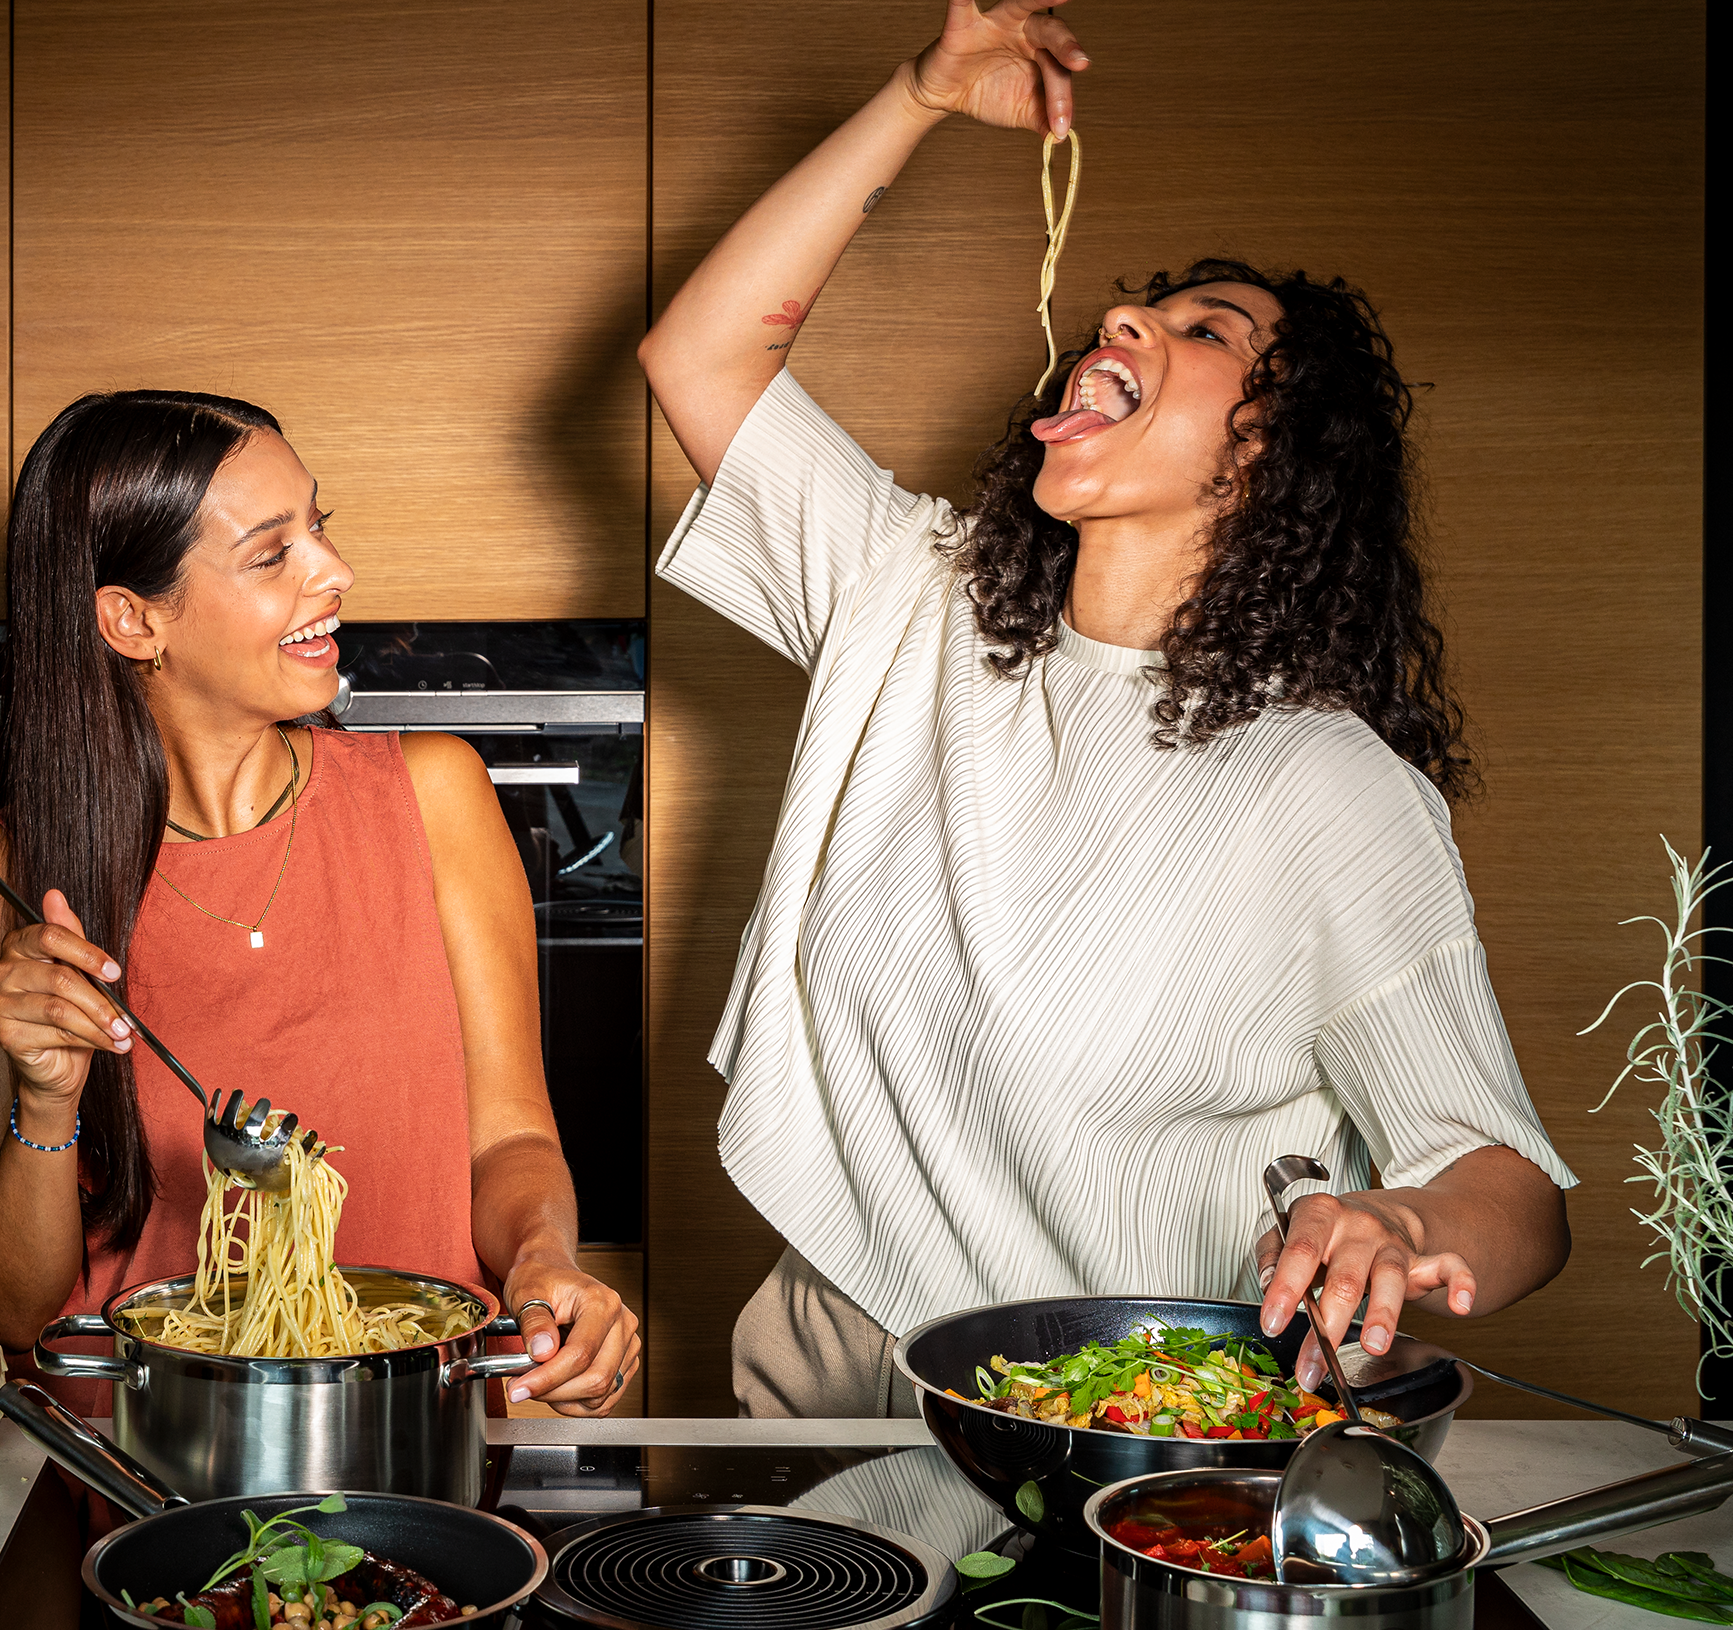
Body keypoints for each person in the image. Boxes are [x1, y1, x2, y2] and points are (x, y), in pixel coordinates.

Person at [639, 0, 1573, 1416]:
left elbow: (1512, 1188)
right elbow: (698, 358)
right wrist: (923, 90)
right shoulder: (917, 598)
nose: (1121, 317)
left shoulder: (1325, 786)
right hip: (839, 1347)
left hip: (1136, 1414)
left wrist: (1406, 1226)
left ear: (1278, 463)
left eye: (1206, 330)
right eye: (1137, 304)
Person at [0, 390, 639, 1417]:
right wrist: (47, 1103)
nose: (334, 572)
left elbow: (509, 1138)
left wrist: (539, 1265)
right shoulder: (1, 887)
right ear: (133, 620)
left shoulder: (433, 795)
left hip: (414, 1433)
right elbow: (10, 1308)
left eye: (319, 524)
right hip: (141, 1464)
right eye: (272, 554)